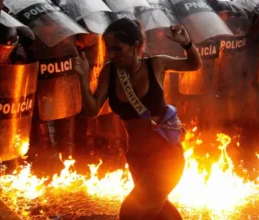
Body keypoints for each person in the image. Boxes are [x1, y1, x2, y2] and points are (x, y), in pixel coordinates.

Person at [73, 18, 202, 219]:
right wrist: (82, 78)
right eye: (109, 49)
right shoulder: (110, 70)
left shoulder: (156, 64)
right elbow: (92, 110)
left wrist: (186, 43)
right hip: (136, 157)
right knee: (159, 212)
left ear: (135, 46)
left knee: (131, 211)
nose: (111, 55)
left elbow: (194, 65)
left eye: (117, 49)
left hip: (166, 155)